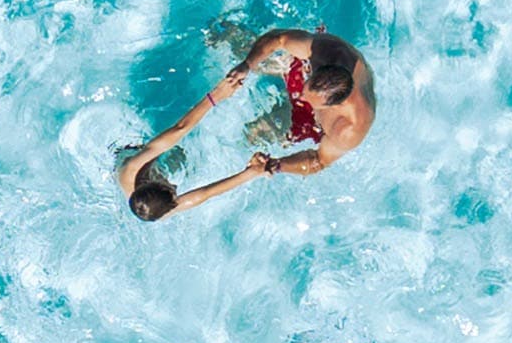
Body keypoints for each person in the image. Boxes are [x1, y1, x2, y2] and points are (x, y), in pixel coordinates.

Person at [118, 28, 375, 220]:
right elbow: (279, 39)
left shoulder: (348, 128)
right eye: (305, 89)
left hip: (315, 120)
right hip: (320, 82)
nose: (301, 97)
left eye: (308, 98)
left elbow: (318, 161)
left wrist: (276, 165)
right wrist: (246, 65)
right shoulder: (325, 54)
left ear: (333, 105)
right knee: (252, 127)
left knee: (257, 133)